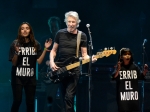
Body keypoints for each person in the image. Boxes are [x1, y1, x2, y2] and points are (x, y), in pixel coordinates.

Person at [50, 11, 97, 112]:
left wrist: (90, 59)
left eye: (73, 22)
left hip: (74, 70)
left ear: (77, 23)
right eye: (69, 21)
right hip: (61, 69)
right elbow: (53, 51)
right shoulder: (60, 33)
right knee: (63, 99)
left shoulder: (82, 35)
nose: (71, 24)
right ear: (66, 22)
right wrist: (52, 62)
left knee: (69, 97)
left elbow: (84, 55)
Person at [9, 22, 52, 112]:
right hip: (17, 76)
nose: (25, 30)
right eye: (22, 28)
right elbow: (14, 63)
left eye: (27, 28)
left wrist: (45, 49)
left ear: (30, 30)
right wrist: (17, 52)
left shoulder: (36, 44)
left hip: (30, 77)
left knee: (30, 102)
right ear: (20, 31)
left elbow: (39, 61)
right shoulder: (15, 43)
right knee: (17, 100)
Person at [112, 48, 148, 112]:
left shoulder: (135, 67)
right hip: (123, 99)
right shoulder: (119, 67)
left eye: (129, 54)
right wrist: (118, 69)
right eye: (125, 54)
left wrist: (145, 71)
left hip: (134, 99)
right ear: (121, 57)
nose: (127, 56)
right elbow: (114, 77)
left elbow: (141, 77)